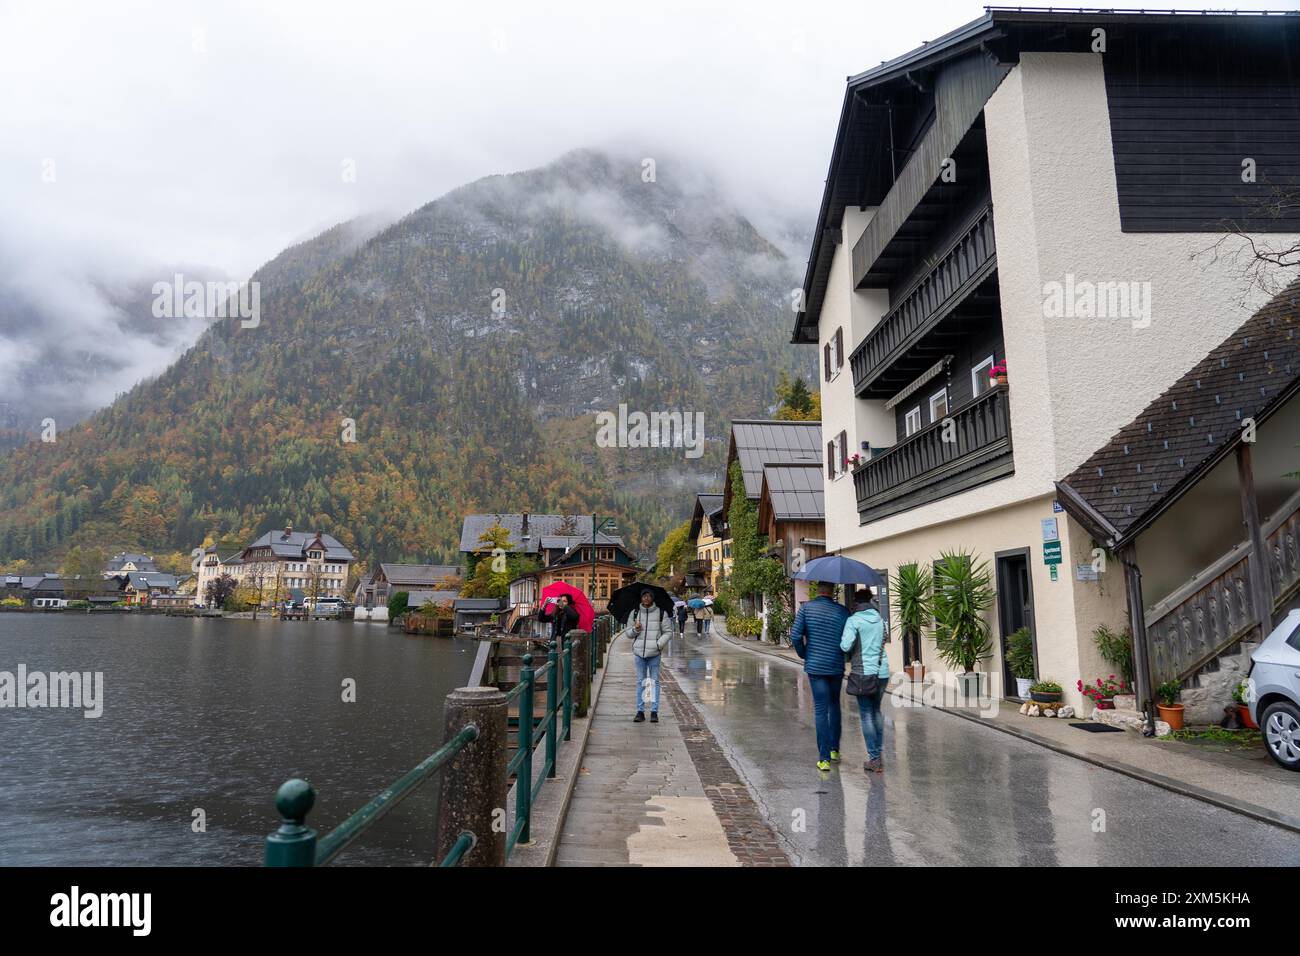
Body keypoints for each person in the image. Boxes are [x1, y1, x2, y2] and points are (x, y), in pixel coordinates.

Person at [790, 581, 850, 771]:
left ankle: (823, 759)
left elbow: (795, 636)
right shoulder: (843, 611)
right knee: (835, 706)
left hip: (816, 666)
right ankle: (834, 749)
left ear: (818, 591)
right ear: (832, 592)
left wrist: (804, 653)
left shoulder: (806, 609)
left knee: (820, 710)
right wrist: (844, 657)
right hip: (835, 665)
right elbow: (849, 639)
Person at [841, 587, 889, 773]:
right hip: (882, 671)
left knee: (866, 714)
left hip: (863, 673)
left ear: (856, 603)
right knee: (876, 711)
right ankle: (878, 752)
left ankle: (874, 758)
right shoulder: (879, 619)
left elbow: (845, 645)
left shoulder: (854, 620)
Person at [618, 589, 674, 723]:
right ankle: (640, 711)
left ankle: (654, 712)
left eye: (649, 596)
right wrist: (635, 629)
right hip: (639, 653)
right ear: (641, 598)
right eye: (644, 595)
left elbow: (668, 632)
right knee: (640, 682)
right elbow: (628, 633)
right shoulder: (635, 613)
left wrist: (658, 644)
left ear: (653, 598)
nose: (646, 598)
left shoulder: (661, 613)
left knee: (654, 682)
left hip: (654, 653)